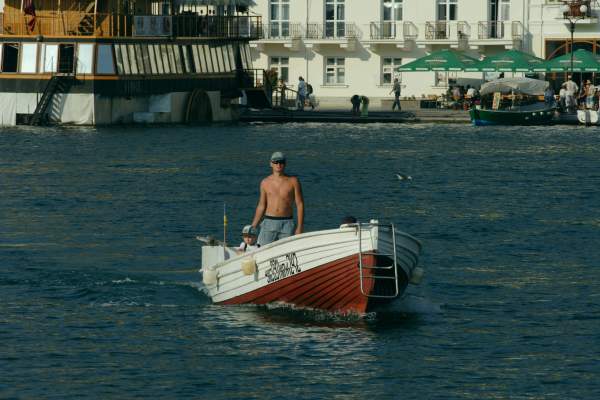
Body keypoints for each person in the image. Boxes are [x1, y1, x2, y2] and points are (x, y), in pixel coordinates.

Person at [251, 151, 304, 246]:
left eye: (281, 162)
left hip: (287, 224)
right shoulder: (265, 182)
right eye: (276, 162)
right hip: (268, 222)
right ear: (271, 164)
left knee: (287, 253)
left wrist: (300, 227)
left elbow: (299, 204)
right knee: (264, 251)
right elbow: (261, 206)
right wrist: (254, 225)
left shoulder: (293, 181)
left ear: (285, 164)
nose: (278, 164)